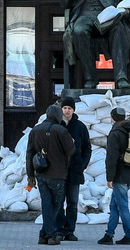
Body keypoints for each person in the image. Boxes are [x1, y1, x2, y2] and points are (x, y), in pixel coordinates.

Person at [27, 104, 75, 245]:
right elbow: (70, 151)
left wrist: (30, 176)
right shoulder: (61, 131)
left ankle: (43, 234)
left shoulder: (35, 130)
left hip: (41, 174)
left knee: (46, 205)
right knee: (55, 206)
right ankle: (51, 235)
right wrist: (72, 142)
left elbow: (29, 154)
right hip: (58, 174)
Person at [98, 107, 130, 246]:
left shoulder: (115, 133)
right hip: (129, 173)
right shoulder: (129, 130)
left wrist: (110, 177)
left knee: (122, 207)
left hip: (119, 176)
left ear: (112, 118)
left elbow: (112, 158)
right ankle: (109, 235)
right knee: (114, 205)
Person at [55, 97, 92, 242]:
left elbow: (87, 148)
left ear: (73, 110)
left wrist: (82, 164)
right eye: (64, 108)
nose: (67, 110)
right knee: (58, 203)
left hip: (75, 171)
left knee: (72, 203)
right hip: (59, 171)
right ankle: (59, 229)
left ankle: (70, 230)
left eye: (69, 108)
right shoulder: (57, 125)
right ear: (61, 109)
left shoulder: (80, 127)